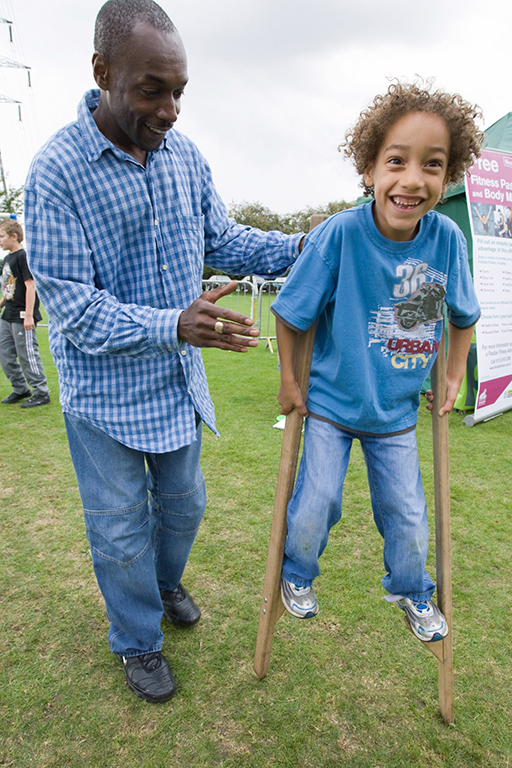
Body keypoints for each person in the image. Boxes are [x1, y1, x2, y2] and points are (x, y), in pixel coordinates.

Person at [24, 0, 303, 703]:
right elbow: (76, 312)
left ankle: (162, 582)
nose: (172, 108)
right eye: (153, 89)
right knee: (120, 532)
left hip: (175, 387)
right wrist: (173, 324)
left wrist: (309, 246)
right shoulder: (55, 173)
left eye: (179, 91)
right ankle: (137, 641)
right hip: (104, 399)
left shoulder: (185, 156)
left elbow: (227, 239)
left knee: (183, 509)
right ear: (102, 71)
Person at [272, 81, 482, 644]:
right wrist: (289, 382)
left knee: (410, 519)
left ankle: (414, 591)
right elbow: (292, 314)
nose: (413, 179)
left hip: (396, 415)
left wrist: (455, 374)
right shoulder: (340, 234)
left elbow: (461, 316)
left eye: (432, 165)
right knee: (316, 501)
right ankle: (296, 574)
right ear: (369, 168)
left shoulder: (446, 243)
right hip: (333, 405)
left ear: (449, 175)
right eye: (397, 161)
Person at [0, 218, 50, 407]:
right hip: (8, 315)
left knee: (27, 354)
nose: (0, 240)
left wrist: (29, 314)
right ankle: (20, 389)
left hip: (22, 316)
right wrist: (2, 302)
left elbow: (30, 286)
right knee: (5, 353)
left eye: (2, 236)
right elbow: (11, 286)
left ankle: (41, 392)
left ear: (14, 236)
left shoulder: (23, 257)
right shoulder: (7, 258)